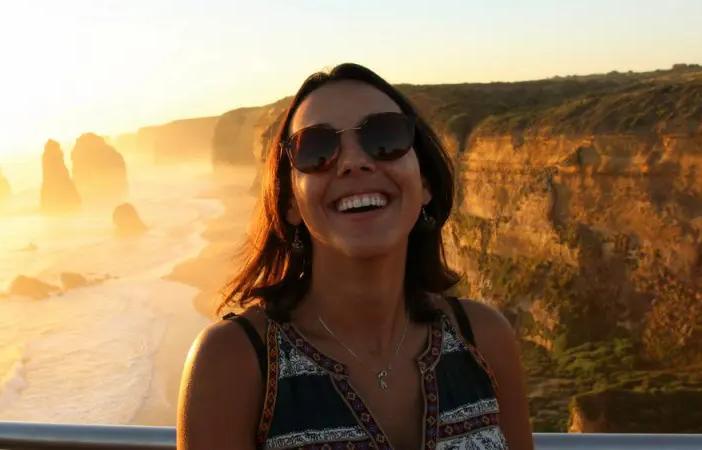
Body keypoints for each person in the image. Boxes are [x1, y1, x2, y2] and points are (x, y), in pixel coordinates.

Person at [177, 62, 534, 450]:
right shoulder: (234, 362)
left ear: (425, 183)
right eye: (316, 149)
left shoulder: (482, 337)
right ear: (291, 202)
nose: (353, 162)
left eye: (384, 136)